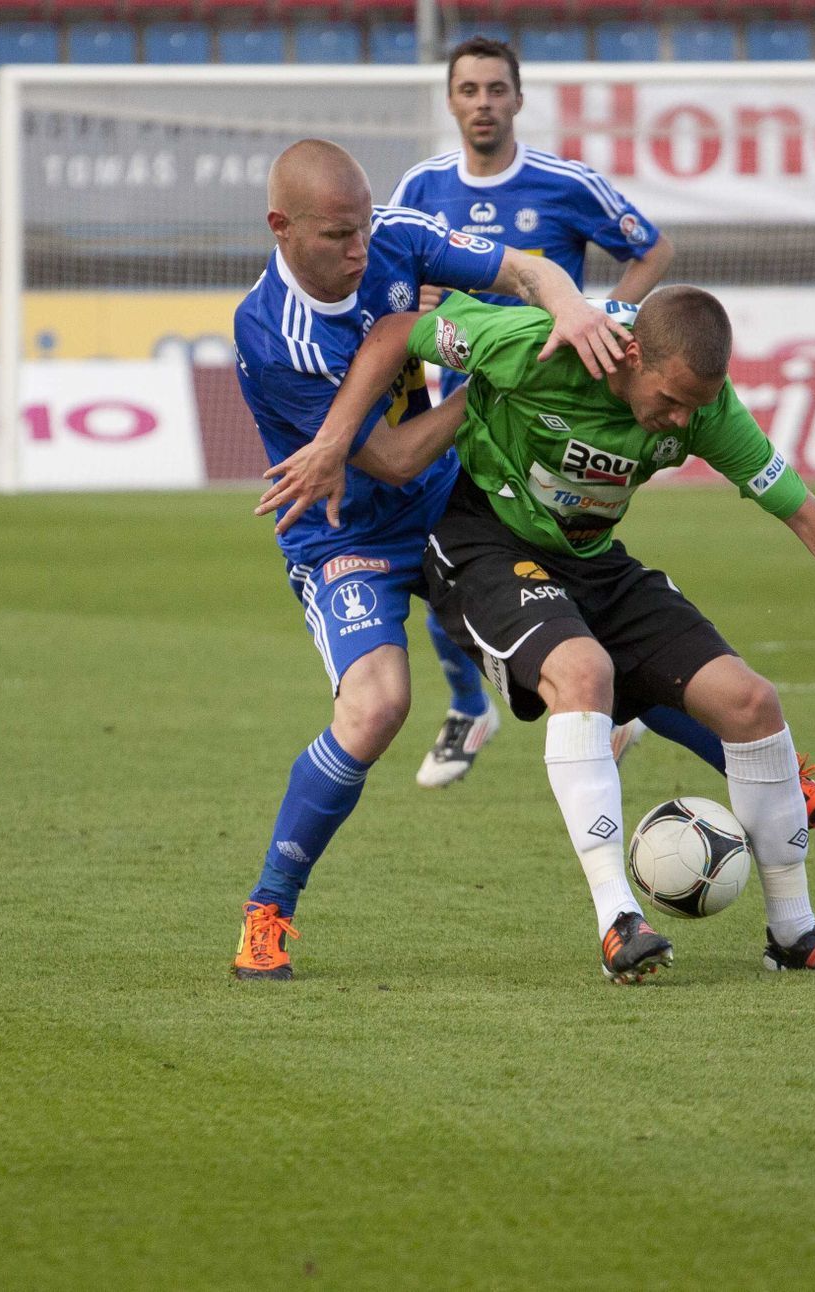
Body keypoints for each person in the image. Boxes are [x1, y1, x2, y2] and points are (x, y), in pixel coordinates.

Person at [261, 286, 815, 981]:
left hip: (591, 561)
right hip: (481, 546)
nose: (678, 420)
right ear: (633, 353)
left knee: (750, 701)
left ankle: (792, 934)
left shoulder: (704, 409)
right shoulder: (533, 346)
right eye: (669, 400)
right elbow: (398, 330)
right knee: (584, 672)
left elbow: (799, 509)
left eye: (694, 407)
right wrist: (332, 444)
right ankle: (618, 919)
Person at [386, 36, 815, 833]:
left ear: (516, 97)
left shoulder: (563, 183)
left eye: (494, 88)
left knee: (580, 630)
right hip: (468, 409)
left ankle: (751, 761)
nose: (481, 102)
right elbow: (398, 290)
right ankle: (472, 706)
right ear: (450, 101)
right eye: (466, 89)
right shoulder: (419, 187)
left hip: (559, 407)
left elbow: (651, 248)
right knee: (433, 567)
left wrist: (618, 324)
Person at [230, 139, 627, 981]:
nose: (360, 250)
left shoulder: (399, 236)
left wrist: (570, 308)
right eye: (338, 235)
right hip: (347, 535)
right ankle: (268, 910)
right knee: (375, 709)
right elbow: (395, 459)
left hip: (455, 506)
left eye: (365, 228)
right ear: (281, 228)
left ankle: (776, 769)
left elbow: (525, 271)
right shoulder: (272, 334)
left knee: (587, 640)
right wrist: (496, 376)